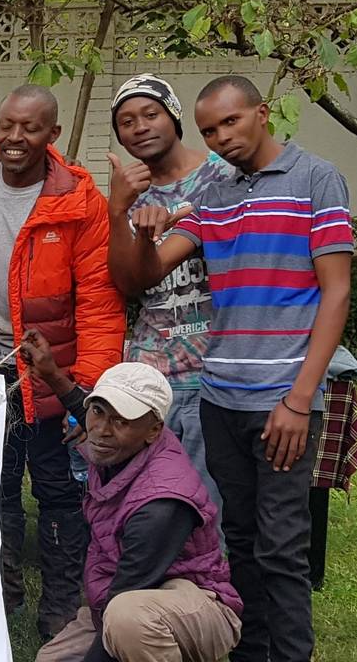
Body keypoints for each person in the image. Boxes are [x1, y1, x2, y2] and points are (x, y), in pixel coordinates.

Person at [107, 75, 352, 662]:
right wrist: (139, 224)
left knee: (282, 546)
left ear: (262, 114)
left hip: (282, 399)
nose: (221, 137)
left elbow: (337, 294)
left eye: (231, 123)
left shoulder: (315, 179)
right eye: (210, 129)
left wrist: (300, 399)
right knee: (237, 539)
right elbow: (147, 271)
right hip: (220, 395)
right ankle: (249, 650)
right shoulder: (215, 195)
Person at [0, 83, 125, 639]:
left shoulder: (80, 201)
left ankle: (60, 603)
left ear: (52, 135)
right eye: (6, 124)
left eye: (29, 128)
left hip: (51, 372)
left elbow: (101, 305)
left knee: (58, 489)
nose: (14, 137)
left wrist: (87, 394)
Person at [30, 360, 243, 662]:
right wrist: (52, 373)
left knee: (128, 622)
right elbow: (91, 411)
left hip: (194, 604)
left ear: (154, 430)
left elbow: (126, 594)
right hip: (124, 600)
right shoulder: (122, 444)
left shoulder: (161, 504)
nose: (101, 430)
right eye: (98, 412)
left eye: (121, 421)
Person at [105, 74, 233, 506]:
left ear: (174, 117)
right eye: (126, 121)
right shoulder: (128, 191)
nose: (139, 126)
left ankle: (206, 574)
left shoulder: (222, 177)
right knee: (147, 498)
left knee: (207, 498)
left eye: (150, 114)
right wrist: (119, 208)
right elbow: (127, 284)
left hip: (213, 369)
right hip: (149, 369)